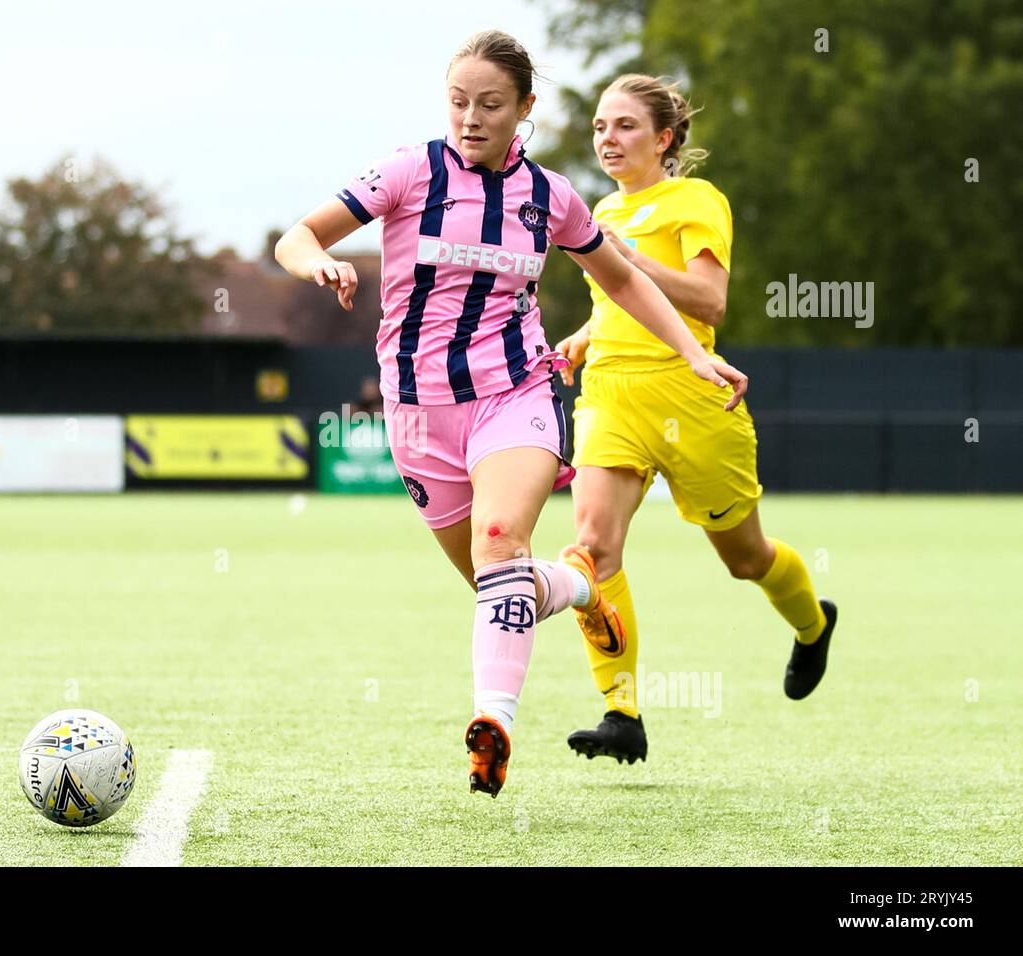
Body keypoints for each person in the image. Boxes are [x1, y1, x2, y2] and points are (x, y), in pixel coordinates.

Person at [274, 34, 746, 798]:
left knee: (500, 543)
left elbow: (623, 281)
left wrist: (693, 353)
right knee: (504, 593)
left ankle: (492, 728)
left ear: (524, 109)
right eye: (458, 101)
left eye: (490, 105)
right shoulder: (408, 170)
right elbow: (297, 236)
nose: (470, 118)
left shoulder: (551, 196)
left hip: (515, 394)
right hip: (418, 414)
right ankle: (584, 588)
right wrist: (319, 263)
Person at [555, 74, 838, 765]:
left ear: (664, 138)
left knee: (747, 561)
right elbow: (618, 299)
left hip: (691, 393)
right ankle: (621, 711)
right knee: (592, 547)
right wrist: (586, 336)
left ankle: (812, 623)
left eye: (624, 126)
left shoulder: (696, 200)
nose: (608, 139)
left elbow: (707, 302)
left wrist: (624, 253)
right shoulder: (599, 208)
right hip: (613, 392)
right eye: (599, 127)